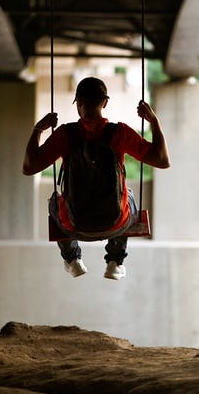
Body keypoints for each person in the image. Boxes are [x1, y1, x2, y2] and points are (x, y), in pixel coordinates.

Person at [22, 77, 170, 280]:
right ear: (105, 102)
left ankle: (72, 259)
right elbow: (162, 160)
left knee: (54, 201)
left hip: (74, 226)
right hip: (115, 224)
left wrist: (38, 129)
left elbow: (29, 167)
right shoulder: (119, 133)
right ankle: (115, 262)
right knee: (130, 195)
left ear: (78, 103)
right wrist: (153, 120)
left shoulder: (66, 134)